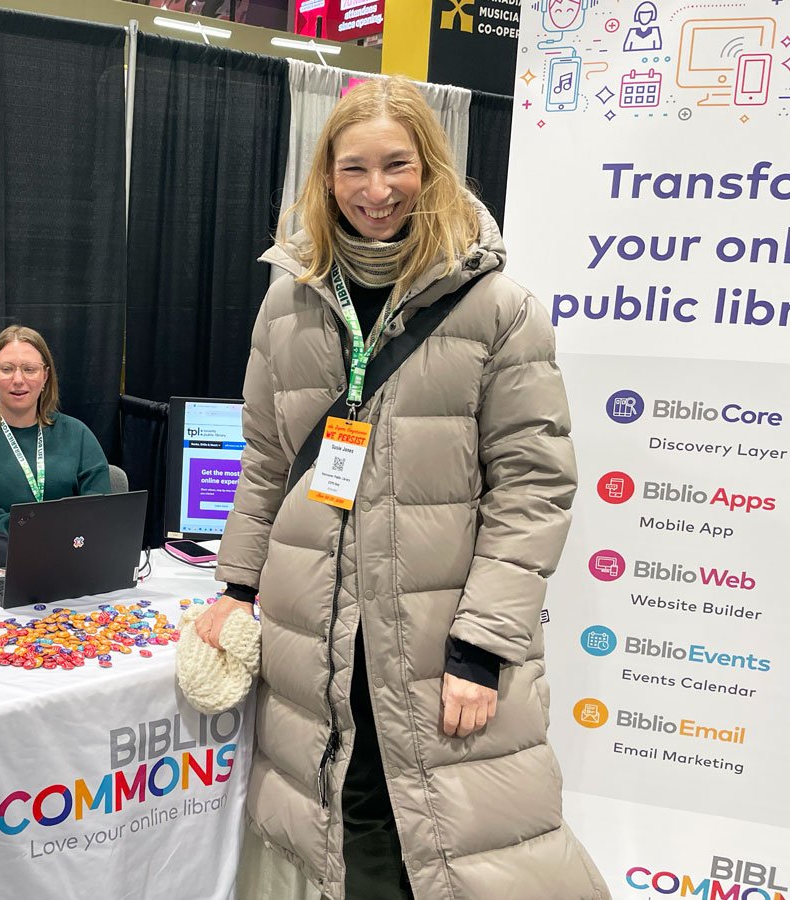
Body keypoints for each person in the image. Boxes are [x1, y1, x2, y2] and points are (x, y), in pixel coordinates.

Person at [194, 78, 607, 899]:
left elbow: (532, 488)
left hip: (437, 640)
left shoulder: (498, 310)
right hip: (314, 635)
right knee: (341, 838)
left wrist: (483, 646)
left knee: (465, 845)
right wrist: (236, 589)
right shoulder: (288, 305)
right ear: (326, 176)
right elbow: (267, 463)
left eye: (396, 166)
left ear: (433, 169)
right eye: (354, 169)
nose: (375, 192)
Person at [0, 325, 111, 577]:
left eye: (29, 369)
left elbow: (99, 507)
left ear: (45, 376)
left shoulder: (77, 434)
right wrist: (45, 532)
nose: (18, 380)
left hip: (70, 559)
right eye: (7, 369)